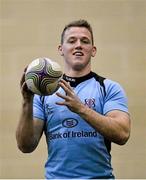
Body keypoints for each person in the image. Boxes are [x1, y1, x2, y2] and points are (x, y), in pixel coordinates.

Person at [16, 19, 131, 179]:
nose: (78, 45)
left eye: (85, 41)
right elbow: (25, 145)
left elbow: (122, 134)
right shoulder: (43, 94)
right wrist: (27, 102)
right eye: (72, 41)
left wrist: (81, 109)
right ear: (61, 49)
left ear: (93, 50)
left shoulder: (108, 87)